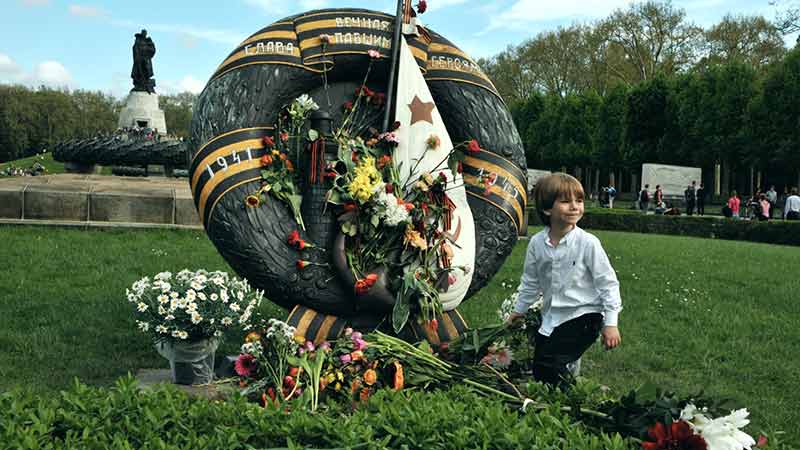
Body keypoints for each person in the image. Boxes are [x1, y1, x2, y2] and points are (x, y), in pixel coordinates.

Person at [507, 173, 622, 388]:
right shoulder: (537, 244)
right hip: (552, 317)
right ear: (547, 209)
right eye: (566, 201)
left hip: (584, 315)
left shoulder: (588, 243)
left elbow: (608, 283)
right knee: (541, 367)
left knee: (548, 364)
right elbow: (531, 282)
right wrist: (519, 311)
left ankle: (574, 401)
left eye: (579, 201)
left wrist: (611, 323)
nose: (575, 207)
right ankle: (567, 394)